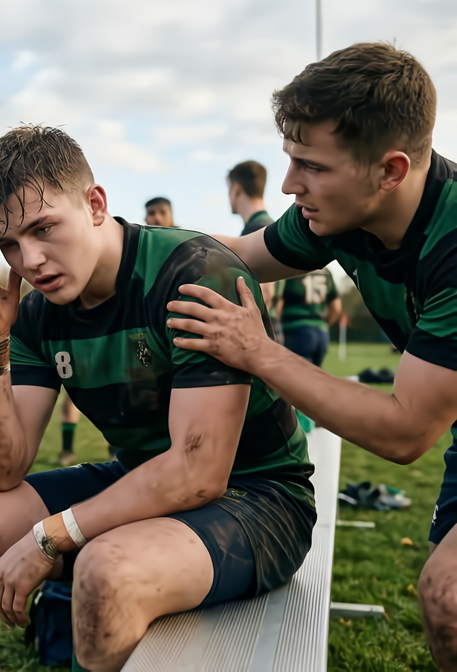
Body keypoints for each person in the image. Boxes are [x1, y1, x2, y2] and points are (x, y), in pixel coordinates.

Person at [0, 126, 315, 672]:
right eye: (8, 243)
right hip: (141, 483)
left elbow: (198, 473)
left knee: (104, 569)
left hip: (256, 498)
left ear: (95, 204)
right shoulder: (35, 311)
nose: (28, 259)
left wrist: (53, 535)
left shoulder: (192, 272)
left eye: (43, 228)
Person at [163, 43, 457, 670]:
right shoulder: (340, 213)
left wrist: (259, 352)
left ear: (391, 170)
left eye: (311, 165)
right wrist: (107, 244)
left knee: (448, 594)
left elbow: (406, 430)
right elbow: (238, 252)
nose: (291, 184)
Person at [228, 160, 286, 343]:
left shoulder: (256, 233)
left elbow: (264, 295)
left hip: (261, 336)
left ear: (236, 189)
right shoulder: (273, 228)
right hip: (275, 329)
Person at [280, 269, 341, 368]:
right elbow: (336, 307)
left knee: (296, 379)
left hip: (297, 330)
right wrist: (324, 324)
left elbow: (278, 299)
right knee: (315, 378)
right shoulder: (326, 272)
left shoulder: (290, 265)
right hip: (322, 333)